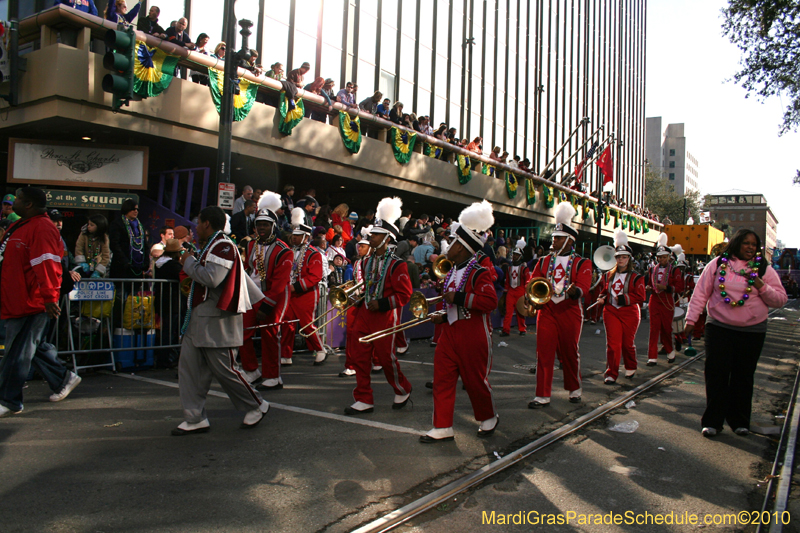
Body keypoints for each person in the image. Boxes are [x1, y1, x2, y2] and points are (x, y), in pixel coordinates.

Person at [171, 206, 268, 435]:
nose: (195, 227)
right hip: (201, 319)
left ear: (207, 224)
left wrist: (187, 261)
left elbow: (212, 278)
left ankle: (256, 404)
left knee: (226, 370)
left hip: (217, 320)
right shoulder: (214, 245)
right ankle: (194, 418)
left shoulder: (223, 246)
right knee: (190, 370)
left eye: (198, 223)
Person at [684, 229, 787, 437]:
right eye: (746, 243)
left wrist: (760, 284)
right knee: (716, 375)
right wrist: (690, 320)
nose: (750, 247)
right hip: (719, 328)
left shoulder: (763, 269)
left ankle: (740, 421)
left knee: (743, 376)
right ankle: (713, 422)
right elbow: (700, 294)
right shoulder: (717, 265)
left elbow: (780, 300)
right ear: (737, 243)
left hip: (752, 331)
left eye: (754, 244)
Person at [0, 187, 81, 418]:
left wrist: (48, 298)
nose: (13, 202)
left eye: (18, 199)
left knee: (18, 351)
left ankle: (9, 400)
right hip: (16, 298)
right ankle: (63, 377)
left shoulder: (42, 228)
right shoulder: (21, 224)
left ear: (28, 205)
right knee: (28, 346)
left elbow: (47, 266)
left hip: (31, 301)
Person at [421, 200, 499, 442]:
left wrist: (461, 297)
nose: (449, 246)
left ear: (463, 247)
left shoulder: (479, 271)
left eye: (454, 242)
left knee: (475, 381)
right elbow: (450, 303)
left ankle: (488, 417)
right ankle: (443, 426)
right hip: (451, 332)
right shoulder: (451, 271)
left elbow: (490, 302)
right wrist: (442, 315)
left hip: (473, 333)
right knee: (442, 377)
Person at [344, 197, 413, 415]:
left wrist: (381, 303)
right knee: (359, 356)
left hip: (384, 316)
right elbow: (370, 286)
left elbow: (405, 295)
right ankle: (364, 398)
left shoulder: (398, 264)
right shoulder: (366, 261)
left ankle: (403, 388)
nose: (370, 237)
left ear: (386, 239)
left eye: (374, 234)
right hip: (366, 313)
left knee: (386, 358)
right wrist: (360, 297)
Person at [528, 203, 592, 408]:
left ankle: (575, 388)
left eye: (558, 238)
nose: (553, 240)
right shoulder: (544, 261)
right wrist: (531, 298)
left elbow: (584, 285)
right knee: (543, 352)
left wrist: (577, 291)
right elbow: (533, 282)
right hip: (547, 310)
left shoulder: (583, 263)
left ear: (569, 241)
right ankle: (542, 395)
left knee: (569, 351)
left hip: (570, 310)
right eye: (554, 237)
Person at [238, 193, 294, 391]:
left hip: (274, 297)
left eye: (265, 224)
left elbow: (279, 284)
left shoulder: (284, 250)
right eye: (258, 224)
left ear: (273, 226)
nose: (261, 228)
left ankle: (273, 376)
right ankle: (252, 370)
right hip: (252, 295)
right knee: (242, 332)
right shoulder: (251, 244)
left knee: (270, 335)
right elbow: (248, 269)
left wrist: (267, 304)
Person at [596, 231, 646, 384]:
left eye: (624, 257)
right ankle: (611, 373)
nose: (621, 260)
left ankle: (631, 365)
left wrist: (625, 298)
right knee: (613, 344)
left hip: (630, 313)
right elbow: (604, 291)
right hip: (611, 311)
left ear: (629, 259)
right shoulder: (607, 275)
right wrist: (601, 298)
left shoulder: (637, 277)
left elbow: (641, 297)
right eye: (618, 257)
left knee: (627, 343)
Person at [280, 208, 326, 366]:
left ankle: (320, 349)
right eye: (293, 235)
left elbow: (315, 276)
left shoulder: (314, 254)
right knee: (287, 324)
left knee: (307, 324)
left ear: (306, 237)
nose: (294, 237)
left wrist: (295, 287)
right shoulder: (288, 251)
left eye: (298, 235)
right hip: (290, 293)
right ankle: (286, 354)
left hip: (305, 294)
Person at [645, 233, 684, 365]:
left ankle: (670, 350)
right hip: (655, 300)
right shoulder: (651, 270)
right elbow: (648, 283)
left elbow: (679, 288)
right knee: (653, 328)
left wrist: (666, 287)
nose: (661, 260)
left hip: (667, 301)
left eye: (664, 257)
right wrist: (649, 287)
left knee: (666, 328)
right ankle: (652, 356)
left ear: (669, 257)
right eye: (659, 257)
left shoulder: (674, 271)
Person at [339, 229, 371, 377]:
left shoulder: (374, 261)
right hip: (355, 300)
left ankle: (376, 361)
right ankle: (351, 365)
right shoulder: (357, 261)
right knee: (351, 332)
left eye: (363, 246)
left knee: (372, 333)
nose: (359, 248)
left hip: (369, 301)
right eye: (358, 246)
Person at [109, 199, 149, 277]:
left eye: (137, 209)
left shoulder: (140, 226)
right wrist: (125, 262)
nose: (136, 211)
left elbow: (145, 245)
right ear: (127, 209)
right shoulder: (117, 224)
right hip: (122, 267)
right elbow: (114, 244)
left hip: (138, 267)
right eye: (133, 209)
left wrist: (146, 262)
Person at [500, 238, 530, 337]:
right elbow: (507, 282)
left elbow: (527, 281)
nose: (514, 257)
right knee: (508, 312)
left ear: (520, 257)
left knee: (520, 311)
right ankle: (506, 330)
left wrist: (526, 294)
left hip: (520, 291)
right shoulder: (509, 268)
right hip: (511, 292)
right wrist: (505, 293)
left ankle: (522, 329)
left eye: (517, 255)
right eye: (514, 255)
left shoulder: (524, 268)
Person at [75, 214, 111, 278]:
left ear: (99, 226)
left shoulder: (104, 238)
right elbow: (79, 248)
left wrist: (98, 271)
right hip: (84, 266)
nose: (88, 226)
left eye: (92, 225)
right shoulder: (84, 234)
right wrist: (81, 262)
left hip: (97, 266)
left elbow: (106, 255)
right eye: (88, 224)